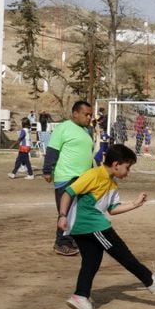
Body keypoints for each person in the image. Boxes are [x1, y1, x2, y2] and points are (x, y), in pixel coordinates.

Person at [58, 144, 155, 309]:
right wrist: (62, 215)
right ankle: (150, 280)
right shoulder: (94, 174)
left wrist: (135, 204)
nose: (128, 172)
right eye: (128, 167)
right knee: (122, 253)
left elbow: (112, 209)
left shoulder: (112, 184)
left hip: (85, 227)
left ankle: (80, 296)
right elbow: (68, 192)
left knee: (92, 262)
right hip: (90, 224)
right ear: (116, 164)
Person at [43, 101, 95, 256]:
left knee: (80, 212)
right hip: (67, 176)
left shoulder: (86, 130)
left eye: (90, 115)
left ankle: (74, 240)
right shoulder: (63, 128)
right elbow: (52, 150)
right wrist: (47, 170)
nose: (89, 118)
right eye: (86, 114)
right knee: (66, 212)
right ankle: (61, 243)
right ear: (75, 113)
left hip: (83, 178)